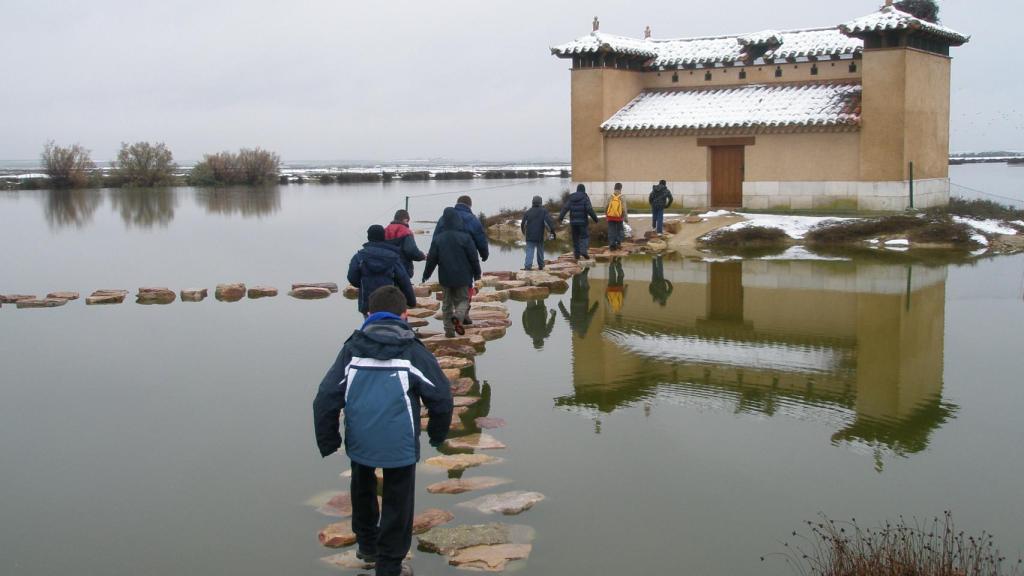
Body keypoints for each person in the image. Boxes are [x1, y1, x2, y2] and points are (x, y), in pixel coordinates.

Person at [313, 285, 453, 576]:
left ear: (368, 313)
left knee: (362, 488)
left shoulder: (352, 349)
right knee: (398, 503)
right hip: (399, 442)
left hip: (360, 438)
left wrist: (329, 440)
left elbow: (326, 397)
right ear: (405, 314)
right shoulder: (412, 352)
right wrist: (438, 436)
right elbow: (440, 397)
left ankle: (367, 545)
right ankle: (389, 565)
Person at [423, 207, 482, 338]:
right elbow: (473, 258)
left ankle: (449, 332)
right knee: (464, 300)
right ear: (457, 220)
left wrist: (426, 274)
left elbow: (432, 259)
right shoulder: (465, 238)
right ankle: (458, 315)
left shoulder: (438, 239)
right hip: (463, 276)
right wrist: (477, 273)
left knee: (446, 304)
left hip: (445, 277)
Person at [347, 225, 417, 317]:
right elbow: (404, 281)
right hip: (390, 305)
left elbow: (352, 278)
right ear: (384, 237)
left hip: (368, 304)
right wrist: (411, 301)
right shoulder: (393, 257)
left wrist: (364, 283)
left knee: (370, 327)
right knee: (391, 329)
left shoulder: (359, 257)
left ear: (368, 237)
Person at [433, 195, 489, 262]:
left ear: (457, 203)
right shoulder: (473, 219)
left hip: (445, 259)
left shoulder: (443, 218)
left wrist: (434, 256)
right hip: (468, 259)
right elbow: (480, 240)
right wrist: (484, 255)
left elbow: (435, 238)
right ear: (470, 205)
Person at [558, 183, 599, 261]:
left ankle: (577, 254)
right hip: (583, 222)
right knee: (584, 237)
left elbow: (565, 208)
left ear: (577, 190)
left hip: (573, 222)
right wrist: (595, 219)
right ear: (584, 190)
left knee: (575, 238)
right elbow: (589, 209)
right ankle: (583, 251)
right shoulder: (585, 198)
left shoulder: (571, 198)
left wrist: (560, 218)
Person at [558, 267, 600, 338]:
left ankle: (584, 273)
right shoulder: (573, 326)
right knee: (575, 284)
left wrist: (596, 305)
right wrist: (560, 306)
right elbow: (566, 316)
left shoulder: (585, 325)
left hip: (583, 302)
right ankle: (577, 273)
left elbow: (590, 315)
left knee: (584, 288)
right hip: (574, 302)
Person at [384, 209, 425, 278]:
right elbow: (411, 250)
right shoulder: (406, 231)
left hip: (386, 269)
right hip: (402, 269)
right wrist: (422, 256)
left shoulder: (385, 230)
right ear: (405, 219)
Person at [520, 195, 556, 270]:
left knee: (529, 251)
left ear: (532, 202)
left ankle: (527, 266)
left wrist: (524, 233)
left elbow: (523, 224)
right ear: (540, 202)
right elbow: (548, 223)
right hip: (540, 236)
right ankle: (541, 265)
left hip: (530, 236)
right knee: (540, 250)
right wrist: (552, 232)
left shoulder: (528, 212)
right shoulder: (544, 212)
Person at [605, 183, 628, 251]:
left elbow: (606, 206)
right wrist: (625, 217)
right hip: (619, 217)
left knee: (611, 230)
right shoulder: (622, 197)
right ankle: (618, 243)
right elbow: (624, 208)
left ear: (614, 188)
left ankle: (612, 245)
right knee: (619, 229)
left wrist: (606, 214)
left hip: (610, 217)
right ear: (620, 188)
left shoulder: (610, 196)